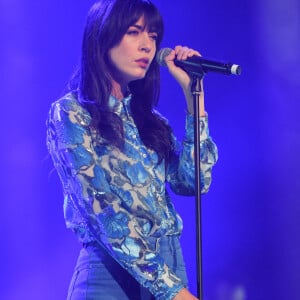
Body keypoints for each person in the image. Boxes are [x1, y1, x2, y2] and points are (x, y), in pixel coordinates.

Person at [46, 0, 218, 299]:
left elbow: (194, 181)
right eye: (134, 32)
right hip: (111, 276)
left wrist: (195, 99)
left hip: (169, 266)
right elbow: (102, 211)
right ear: (103, 37)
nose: (147, 46)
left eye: (153, 36)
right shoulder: (72, 114)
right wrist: (174, 291)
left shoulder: (151, 121)